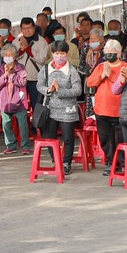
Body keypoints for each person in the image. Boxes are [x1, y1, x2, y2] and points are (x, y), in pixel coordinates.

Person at [40, 42, 84, 175]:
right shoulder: (46, 69)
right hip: (50, 108)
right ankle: (56, 160)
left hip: (67, 110)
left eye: (62, 53)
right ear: (52, 54)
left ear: (67, 54)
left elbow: (78, 90)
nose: (59, 56)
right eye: (57, 53)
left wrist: (61, 90)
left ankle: (66, 163)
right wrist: (48, 89)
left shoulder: (72, 70)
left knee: (68, 138)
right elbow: (39, 85)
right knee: (50, 137)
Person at [86, 40, 126, 166]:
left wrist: (110, 76)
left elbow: (122, 83)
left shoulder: (125, 66)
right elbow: (90, 82)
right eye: (107, 52)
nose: (109, 54)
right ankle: (111, 163)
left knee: (120, 139)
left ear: (119, 54)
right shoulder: (101, 66)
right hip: (102, 109)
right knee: (105, 139)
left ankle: (121, 163)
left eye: (112, 52)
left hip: (119, 110)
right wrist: (102, 75)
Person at [0, 44, 32, 154]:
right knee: (6, 125)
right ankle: (11, 145)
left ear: (14, 56)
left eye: (10, 55)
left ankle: (25, 146)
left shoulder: (20, 68)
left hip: (19, 102)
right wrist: (5, 75)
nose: (7, 57)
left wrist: (12, 75)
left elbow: (23, 82)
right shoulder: (0, 69)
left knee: (23, 126)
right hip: (5, 103)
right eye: (5, 55)